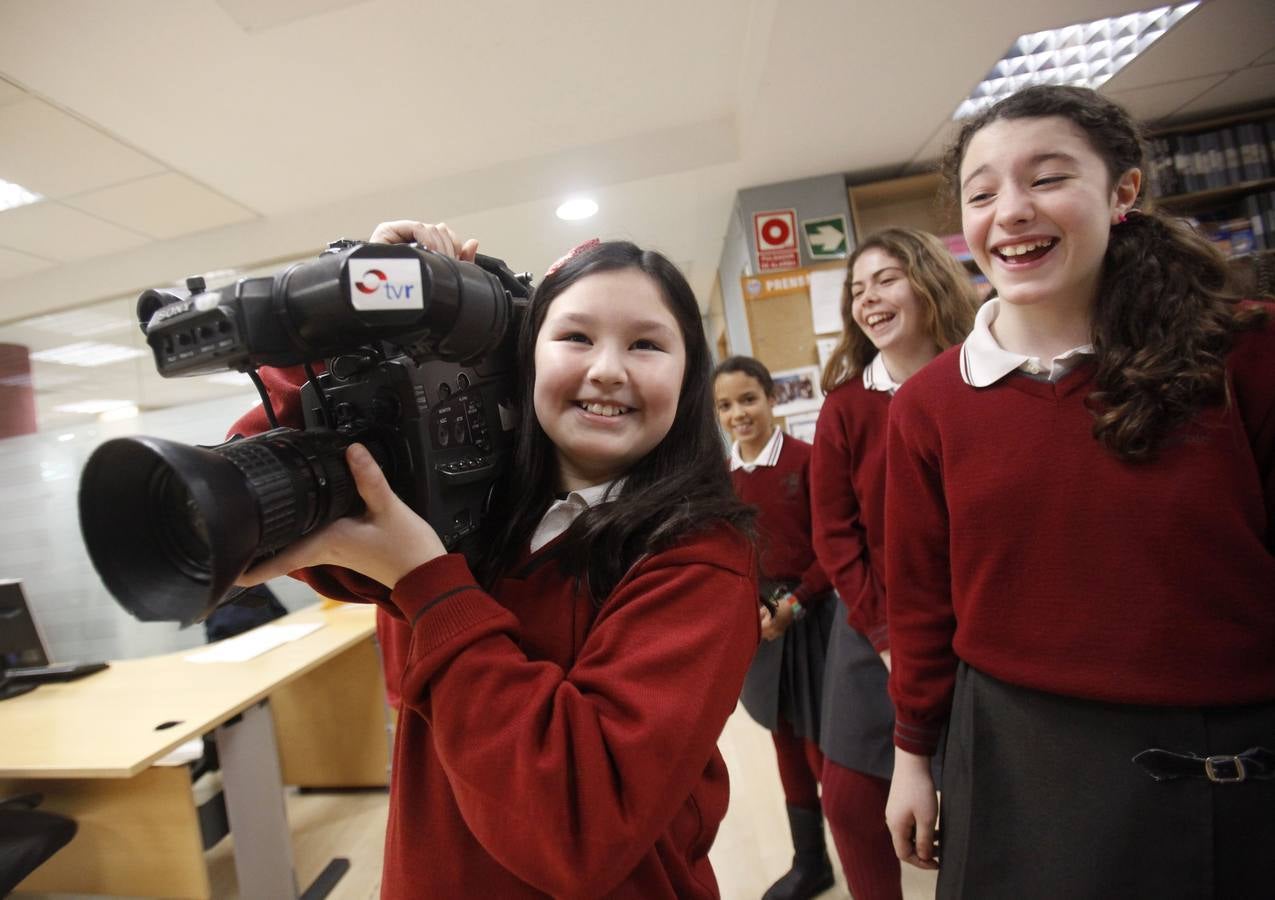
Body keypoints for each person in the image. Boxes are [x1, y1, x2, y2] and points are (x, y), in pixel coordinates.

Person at [229, 221, 760, 899]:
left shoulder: (700, 558)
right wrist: (350, 319)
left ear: (689, 378)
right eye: (575, 336)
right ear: (525, 358)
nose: (606, 369)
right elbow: (264, 486)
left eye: (646, 344)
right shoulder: (456, 507)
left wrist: (427, 587)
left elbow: (578, 828)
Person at [882, 85, 1275, 899]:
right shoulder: (928, 406)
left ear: (1121, 190)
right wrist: (911, 756)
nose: (1010, 212)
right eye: (981, 194)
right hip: (1018, 752)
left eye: (1047, 178)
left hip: (1235, 747)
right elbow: (921, 600)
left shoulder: (1242, 352)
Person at [809, 228, 977, 900]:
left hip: (972, 621)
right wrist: (882, 634)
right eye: (857, 290)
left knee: (975, 798)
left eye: (884, 280)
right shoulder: (845, 407)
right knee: (849, 800)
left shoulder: (980, 378)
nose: (868, 299)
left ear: (928, 281)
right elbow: (834, 534)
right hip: (871, 622)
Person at [712, 355, 836, 900]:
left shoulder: (809, 461)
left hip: (813, 620)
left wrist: (796, 604)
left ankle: (863, 849)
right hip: (760, 629)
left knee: (826, 749)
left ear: (771, 398)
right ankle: (810, 863)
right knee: (784, 742)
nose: (738, 414)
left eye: (748, 399)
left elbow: (834, 550)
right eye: (725, 405)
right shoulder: (720, 483)